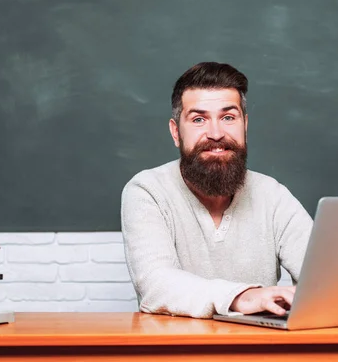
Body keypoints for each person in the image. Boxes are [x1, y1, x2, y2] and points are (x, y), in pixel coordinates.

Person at [121, 62, 314, 319]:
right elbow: (155, 284)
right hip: (177, 355)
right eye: (199, 119)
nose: (215, 133)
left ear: (244, 125)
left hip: (260, 354)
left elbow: (325, 279)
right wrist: (241, 297)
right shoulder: (147, 191)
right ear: (176, 132)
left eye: (228, 117)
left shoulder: (273, 195)